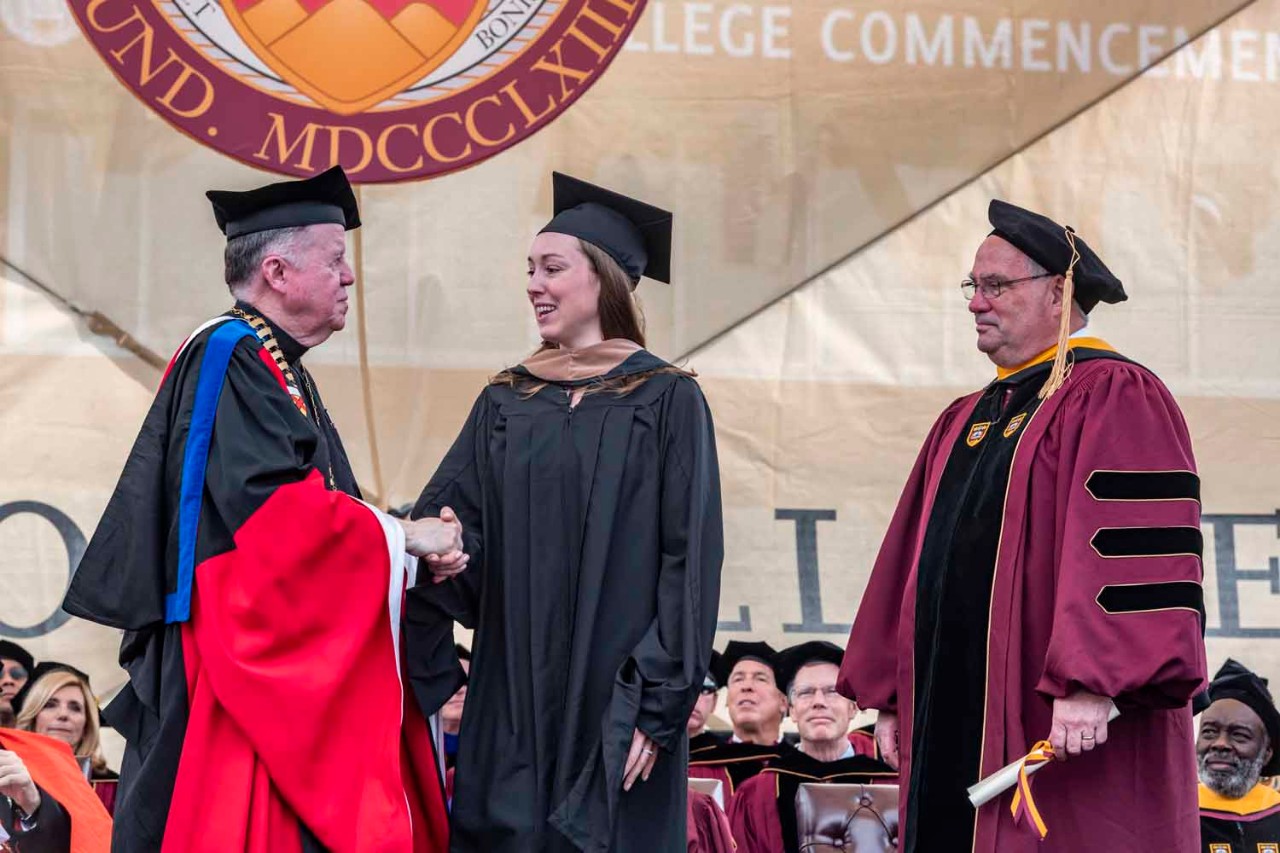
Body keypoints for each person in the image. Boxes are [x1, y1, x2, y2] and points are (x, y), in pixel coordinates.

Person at [62, 167, 460, 853]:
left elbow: (307, 514)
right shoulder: (231, 353)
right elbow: (274, 520)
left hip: (252, 654)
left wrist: (408, 558)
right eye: (336, 259)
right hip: (236, 670)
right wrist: (403, 536)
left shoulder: (275, 363)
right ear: (277, 270)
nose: (350, 278)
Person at [839, 200, 1207, 852]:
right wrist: (892, 693)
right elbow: (908, 562)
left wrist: (1094, 682)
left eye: (997, 285)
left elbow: (1130, 555)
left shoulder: (1114, 393)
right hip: (949, 726)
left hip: (1062, 723)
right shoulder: (966, 418)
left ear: (1059, 292)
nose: (976, 302)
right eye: (972, 286)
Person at [405, 172, 724, 852]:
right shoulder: (506, 401)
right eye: (529, 269)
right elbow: (451, 535)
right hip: (511, 697)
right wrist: (441, 551)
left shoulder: (667, 400)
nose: (534, 284)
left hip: (615, 706)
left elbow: (688, 560)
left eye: (552, 267)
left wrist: (657, 709)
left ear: (603, 279)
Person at [730, 641, 895, 853]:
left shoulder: (890, 784)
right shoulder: (756, 793)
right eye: (806, 692)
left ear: (853, 707)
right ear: (792, 709)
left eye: (832, 691)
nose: (819, 702)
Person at [689, 642, 794, 809]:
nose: (746, 686)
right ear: (727, 701)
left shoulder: (799, 765)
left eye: (760, 678)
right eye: (738, 679)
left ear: (784, 702)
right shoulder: (697, 765)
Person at [1197, 660, 1280, 850]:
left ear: (1266, 753)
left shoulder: (1276, 811)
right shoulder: (1175, 815)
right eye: (1209, 732)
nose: (1220, 744)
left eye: (1239, 735)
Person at [13, 666, 118, 814]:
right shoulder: (8, 771)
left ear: (87, 726)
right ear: (33, 718)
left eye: (75, 708)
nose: (63, 714)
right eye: (50, 705)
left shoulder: (111, 786)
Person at [687, 650, 725, 751]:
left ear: (714, 703)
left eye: (705, 689)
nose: (695, 699)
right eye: (687, 687)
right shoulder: (646, 746)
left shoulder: (724, 754)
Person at [441, 644, 471, 769]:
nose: (459, 690)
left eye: (467, 682)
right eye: (450, 682)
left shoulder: (497, 748)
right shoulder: (409, 749)